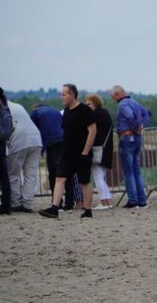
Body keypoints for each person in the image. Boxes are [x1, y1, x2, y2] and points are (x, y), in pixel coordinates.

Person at [38, 84, 96, 219]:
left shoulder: (84, 110)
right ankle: (54, 208)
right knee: (59, 178)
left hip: (82, 152)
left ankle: (87, 210)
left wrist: (85, 152)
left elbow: (92, 130)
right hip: (67, 152)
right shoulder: (66, 111)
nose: (61, 97)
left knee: (84, 181)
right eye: (61, 94)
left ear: (72, 95)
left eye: (64, 94)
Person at [110, 86, 150, 208]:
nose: (112, 99)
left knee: (128, 171)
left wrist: (135, 128)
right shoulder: (135, 102)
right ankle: (142, 200)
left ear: (117, 95)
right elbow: (147, 113)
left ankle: (133, 200)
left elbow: (130, 117)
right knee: (136, 170)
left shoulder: (122, 105)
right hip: (137, 138)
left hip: (127, 137)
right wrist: (141, 125)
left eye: (112, 96)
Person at [31, 102, 75, 209]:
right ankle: (69, 203)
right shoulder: (56, 111)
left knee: (53, 173)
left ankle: (57, 202)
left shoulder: (36, 113)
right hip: (65, 141)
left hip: (52, 144)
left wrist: (39, 151)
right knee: (66, 173)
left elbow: (33, 130)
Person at [5, 99, 43, 213]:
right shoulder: (17, 105)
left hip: (18, 141)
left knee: (13, 174)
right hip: (36, 140)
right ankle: (28, 204)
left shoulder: (4, 108)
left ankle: (15, 203)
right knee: (30, 175)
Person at [85, 94, 114, 209]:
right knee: (101, 176)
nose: (87, 106)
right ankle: (108, 201)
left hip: (97, 148)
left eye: (89, 104)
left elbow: (93, 132)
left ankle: (104, 201)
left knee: (98, 176)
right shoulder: (105, 113)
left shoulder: (94, 115)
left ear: (95, 103)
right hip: (106, 148)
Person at [0, 89, 13, 215]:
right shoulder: (5, 107)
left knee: (4, 178)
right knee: (4, 178)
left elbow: (5, 132)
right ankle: (6, 205)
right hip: (2, 147)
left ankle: (6, 206)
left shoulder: (3, 109)